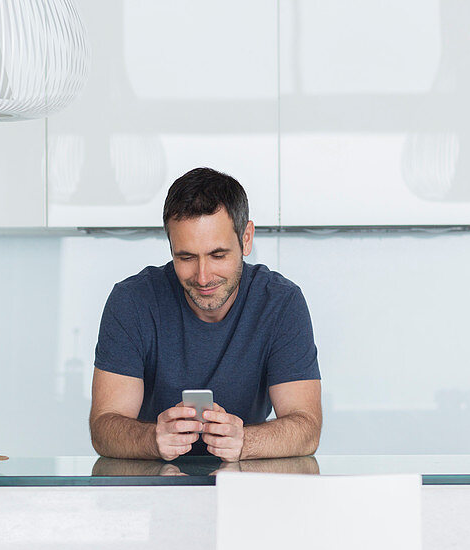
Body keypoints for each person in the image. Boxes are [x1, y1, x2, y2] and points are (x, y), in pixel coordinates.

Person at [89, 167, 322, 462]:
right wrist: (152, 439)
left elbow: (307, 428)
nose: (202, 276)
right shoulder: (132, 301)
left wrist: (244, 442)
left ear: (246, 239)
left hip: (245, 489)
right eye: (185, 257)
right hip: (150, 491)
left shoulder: (280, 303)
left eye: (218, 255)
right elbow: (104, 427)